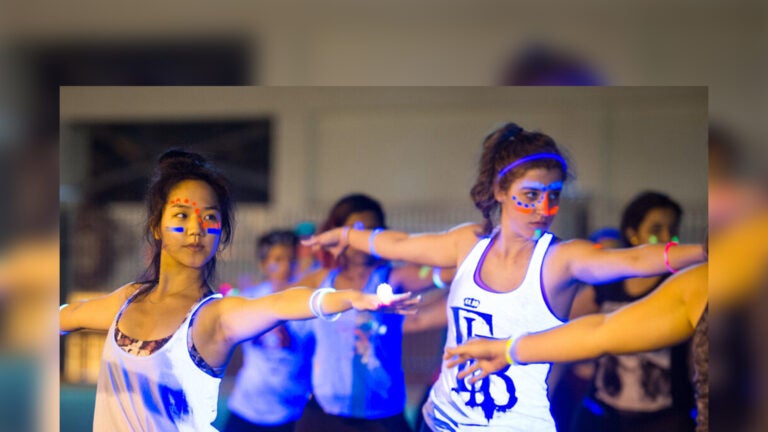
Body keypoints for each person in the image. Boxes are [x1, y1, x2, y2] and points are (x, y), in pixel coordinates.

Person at [304, 122, 707, 431]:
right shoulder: (468, 243)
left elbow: (637, 260)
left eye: (553, 195)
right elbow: (398, 242)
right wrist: (346, 234)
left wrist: (705, 253)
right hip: (441, 419)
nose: (543, 208)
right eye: (530, 195)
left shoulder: (562, 259)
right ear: (499, 190)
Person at [59, 150, 418, 432]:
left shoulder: (216, 316)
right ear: (157, 226)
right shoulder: (128, 300)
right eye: (182, 216)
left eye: (210, 218)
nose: (197, 228)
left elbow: (279, 305)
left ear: (222, 234)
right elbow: (68, 316)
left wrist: (347, 298)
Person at [293, 193, 437, 432]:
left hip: (381, 415)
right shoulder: (318, 280)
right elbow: (278, 306)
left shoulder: (393, 278)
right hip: (324, 413)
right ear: (338, 232)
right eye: (355, 229)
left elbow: (445, 273)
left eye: (371, 231)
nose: (362, 238)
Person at [567, 191, 694, 431]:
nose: (668, 237)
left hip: (665, 418)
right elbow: (564, 321)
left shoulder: (684, 284)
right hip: (604, 413)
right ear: (632, 233)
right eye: (656, 229)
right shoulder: (608, 283)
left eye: (673, 229)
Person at [224, 229, 314, 432]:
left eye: (291, 259)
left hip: (290, 414)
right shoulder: (250, 299)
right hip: (245, 408)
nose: (285, 267)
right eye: (278, 259)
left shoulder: (310, 304)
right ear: (263, 264)